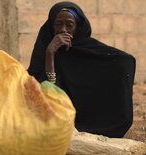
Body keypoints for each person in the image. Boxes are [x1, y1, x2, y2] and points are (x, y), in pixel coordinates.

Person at [27, 1, 136, 138]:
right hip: (56, 114)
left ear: (78, 26)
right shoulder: (44, 48)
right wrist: (50, 54)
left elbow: (125, 61)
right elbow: (45, 88)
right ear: (51, 26)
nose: (63, 30)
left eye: (69, 24)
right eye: (58, 24)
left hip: (87, 112)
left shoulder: (88, 49)